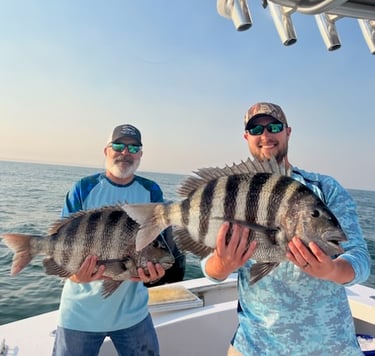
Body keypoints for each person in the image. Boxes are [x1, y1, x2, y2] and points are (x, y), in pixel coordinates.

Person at [202, 102, 371, 355]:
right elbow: (210, 270)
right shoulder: (231, 192)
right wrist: (222, 264)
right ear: (246, 137)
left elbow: (360, 259)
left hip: (329, 347)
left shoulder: (325, 188)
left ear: (288, 132)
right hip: (254, 346)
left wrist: (332, 269)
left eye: (274, 127)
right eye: (256, 129)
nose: (266, 135)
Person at [52, 123, 185, 356]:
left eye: (133, 148)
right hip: (79, 314)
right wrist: (74, 274)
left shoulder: (151, 192)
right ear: (106, 151)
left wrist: (156, 275)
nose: (125, 152)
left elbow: (160, 243)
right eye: (119, 146)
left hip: (133, 315)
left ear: (141, 155)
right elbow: (62, 240)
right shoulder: (83, 188)